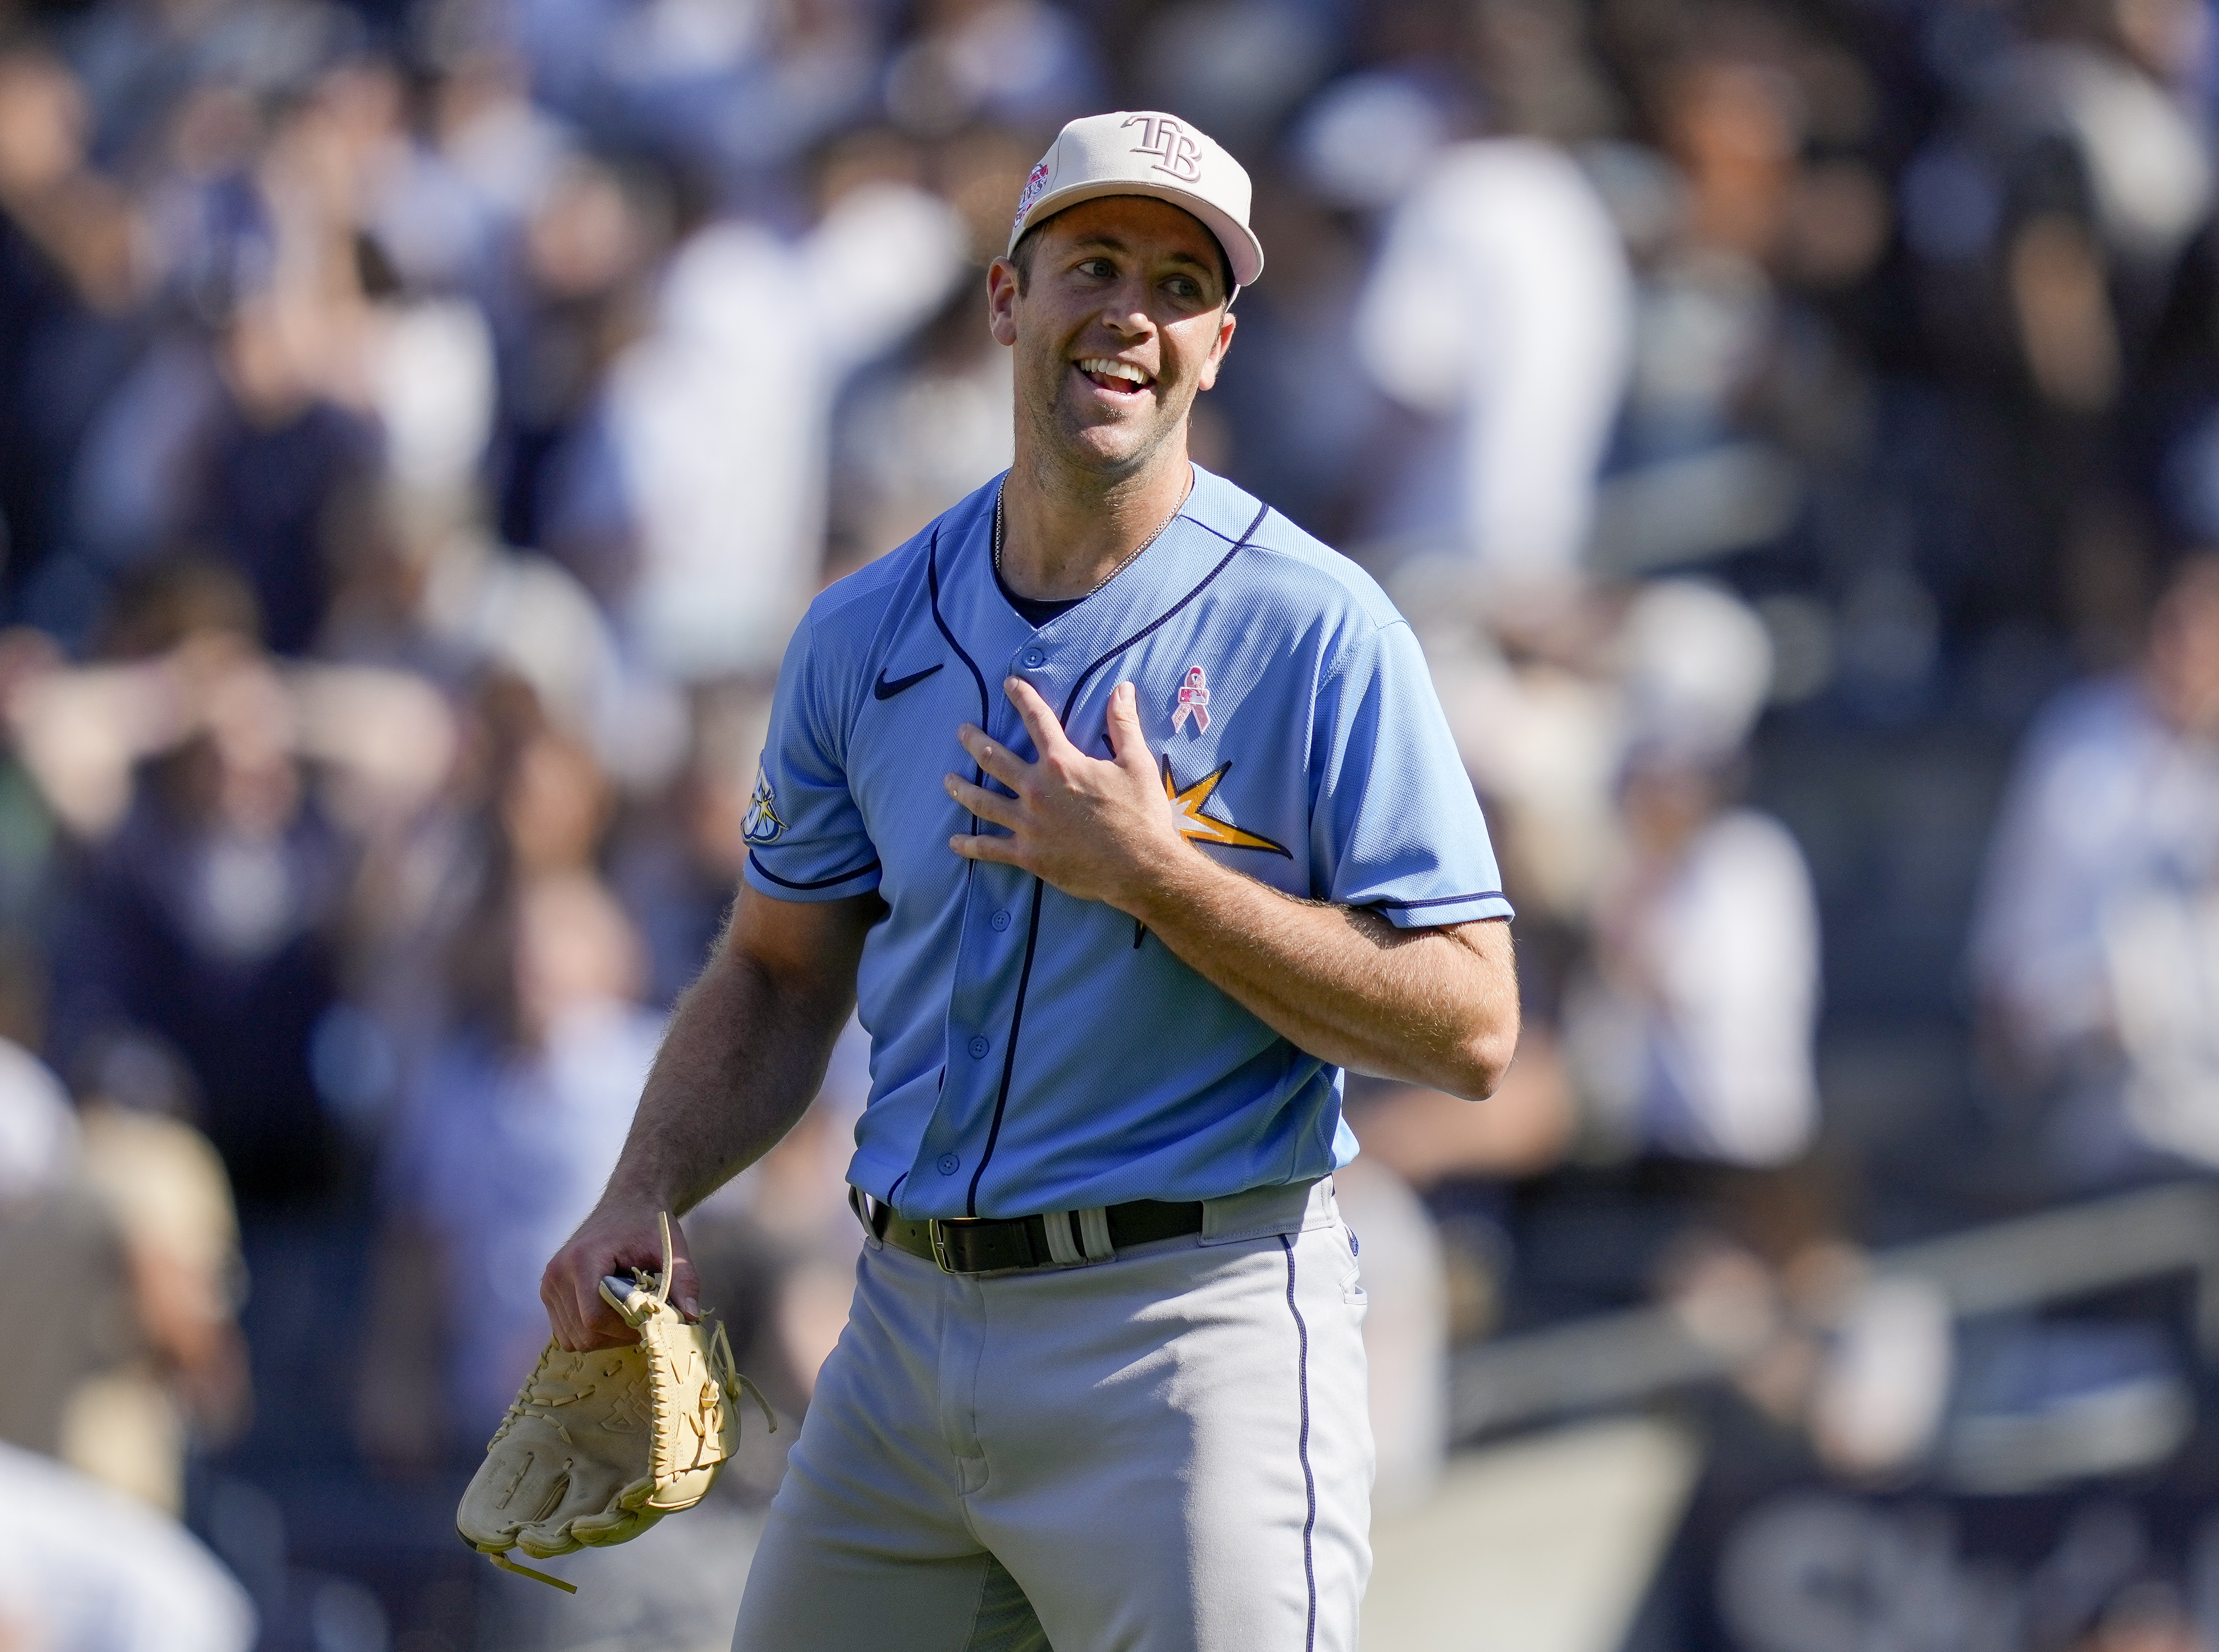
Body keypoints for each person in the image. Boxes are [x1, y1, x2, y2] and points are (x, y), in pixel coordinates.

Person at [540, 110, 1520, 1649]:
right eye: (1095, 263)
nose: (1131, 310)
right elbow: (778, 971)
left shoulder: (1319, 628)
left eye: (1179, 282)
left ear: (1220, 341)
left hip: (1188, 1337)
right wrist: (644, 1182)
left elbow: (1469, 1025)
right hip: (904, 1332)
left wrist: (1155, 877)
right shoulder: (858, 634)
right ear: (1008, 297)